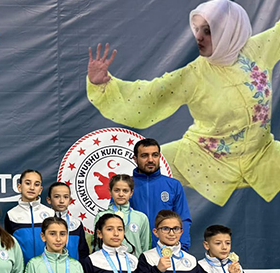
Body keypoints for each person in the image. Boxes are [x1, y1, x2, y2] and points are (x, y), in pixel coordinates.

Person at [86, 0, 280, 206]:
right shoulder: (193, 76)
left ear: (230, 31)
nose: (198, 37)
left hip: (263, 156)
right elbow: (150, 96)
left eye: (208, 31)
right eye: (197, 29)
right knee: (133, 175)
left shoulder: (258, 51)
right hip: (205, 158)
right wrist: (102, 84)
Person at [126, 139, 193, 251]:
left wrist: (182, 249)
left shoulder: (173, 185)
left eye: (155, 155)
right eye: (144, 156)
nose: (150, 160)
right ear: (135, 159)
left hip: (166, 251)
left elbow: (183, 219)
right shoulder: (125, 186)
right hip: (133, 252)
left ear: (159, 157)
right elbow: (114, 219)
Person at [93, 174, 151, 257]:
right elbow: (96, 245)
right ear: (110, 192)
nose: (121, 194)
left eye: (125, 191)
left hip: (135, 263)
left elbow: (146, 247)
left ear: (131, 193)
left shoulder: (141, 217)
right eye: (116, 190)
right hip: (107, 262)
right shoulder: (101, 216)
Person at [4, 170, 52, 263]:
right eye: (27, 183)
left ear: (40, 190)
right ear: (19, 187)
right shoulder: (11, 215)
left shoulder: (50, 213)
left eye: (36, 184)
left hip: (47, 268)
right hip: (21, 268)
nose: (32, 187)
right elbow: (9, 247)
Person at [46, 182, 89, 261]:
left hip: (72, 267)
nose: (62, 201)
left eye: (66, 197)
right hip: (48, 266)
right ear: (49, 200)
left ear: (70, 200)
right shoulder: (43, 223)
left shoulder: (76, 224)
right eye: (57, 197)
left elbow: (83, 252)